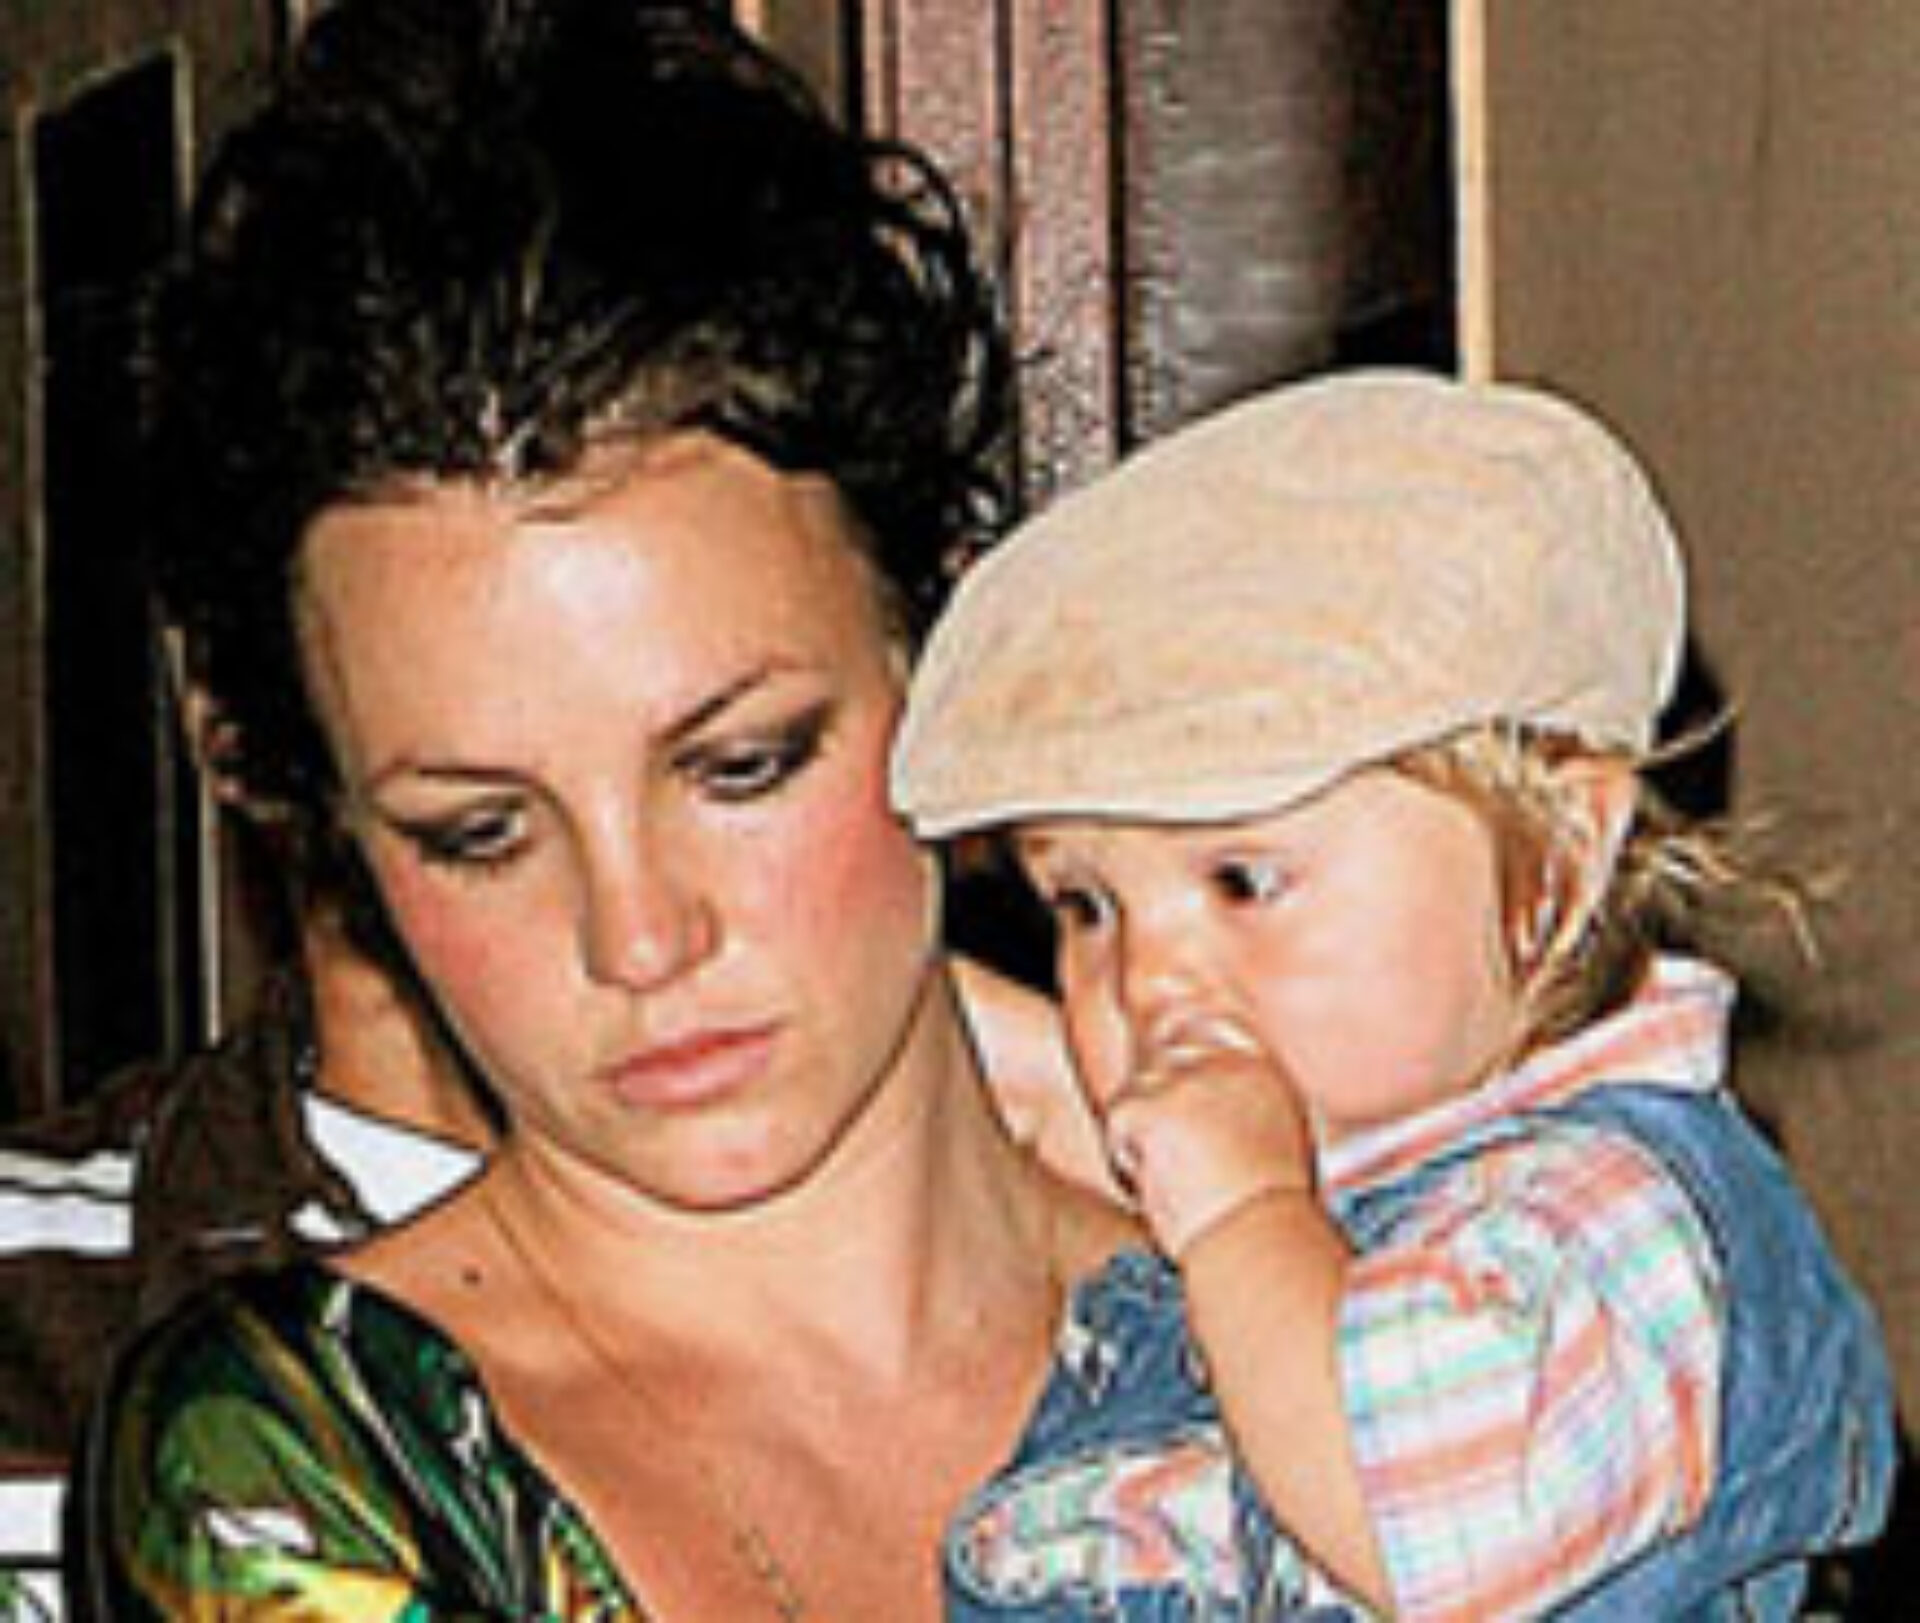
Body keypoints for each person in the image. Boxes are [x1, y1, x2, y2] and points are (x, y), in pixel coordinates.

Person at [63, 2, 1239, 1618]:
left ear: (951, 665)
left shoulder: (1405, 1322)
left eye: (740, 763)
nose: (639, 935)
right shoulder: (287, 1458)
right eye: (479, 832)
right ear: (340, 834)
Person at [893, 368, 1899, 1618]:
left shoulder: (1607, 1218)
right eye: (1084, 906)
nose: (1147, 981)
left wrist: (1247, 1213)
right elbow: (1020, 1084)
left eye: (1243, 880)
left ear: (1555, 869)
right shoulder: (1337, 1144)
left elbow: (1416, 1530)